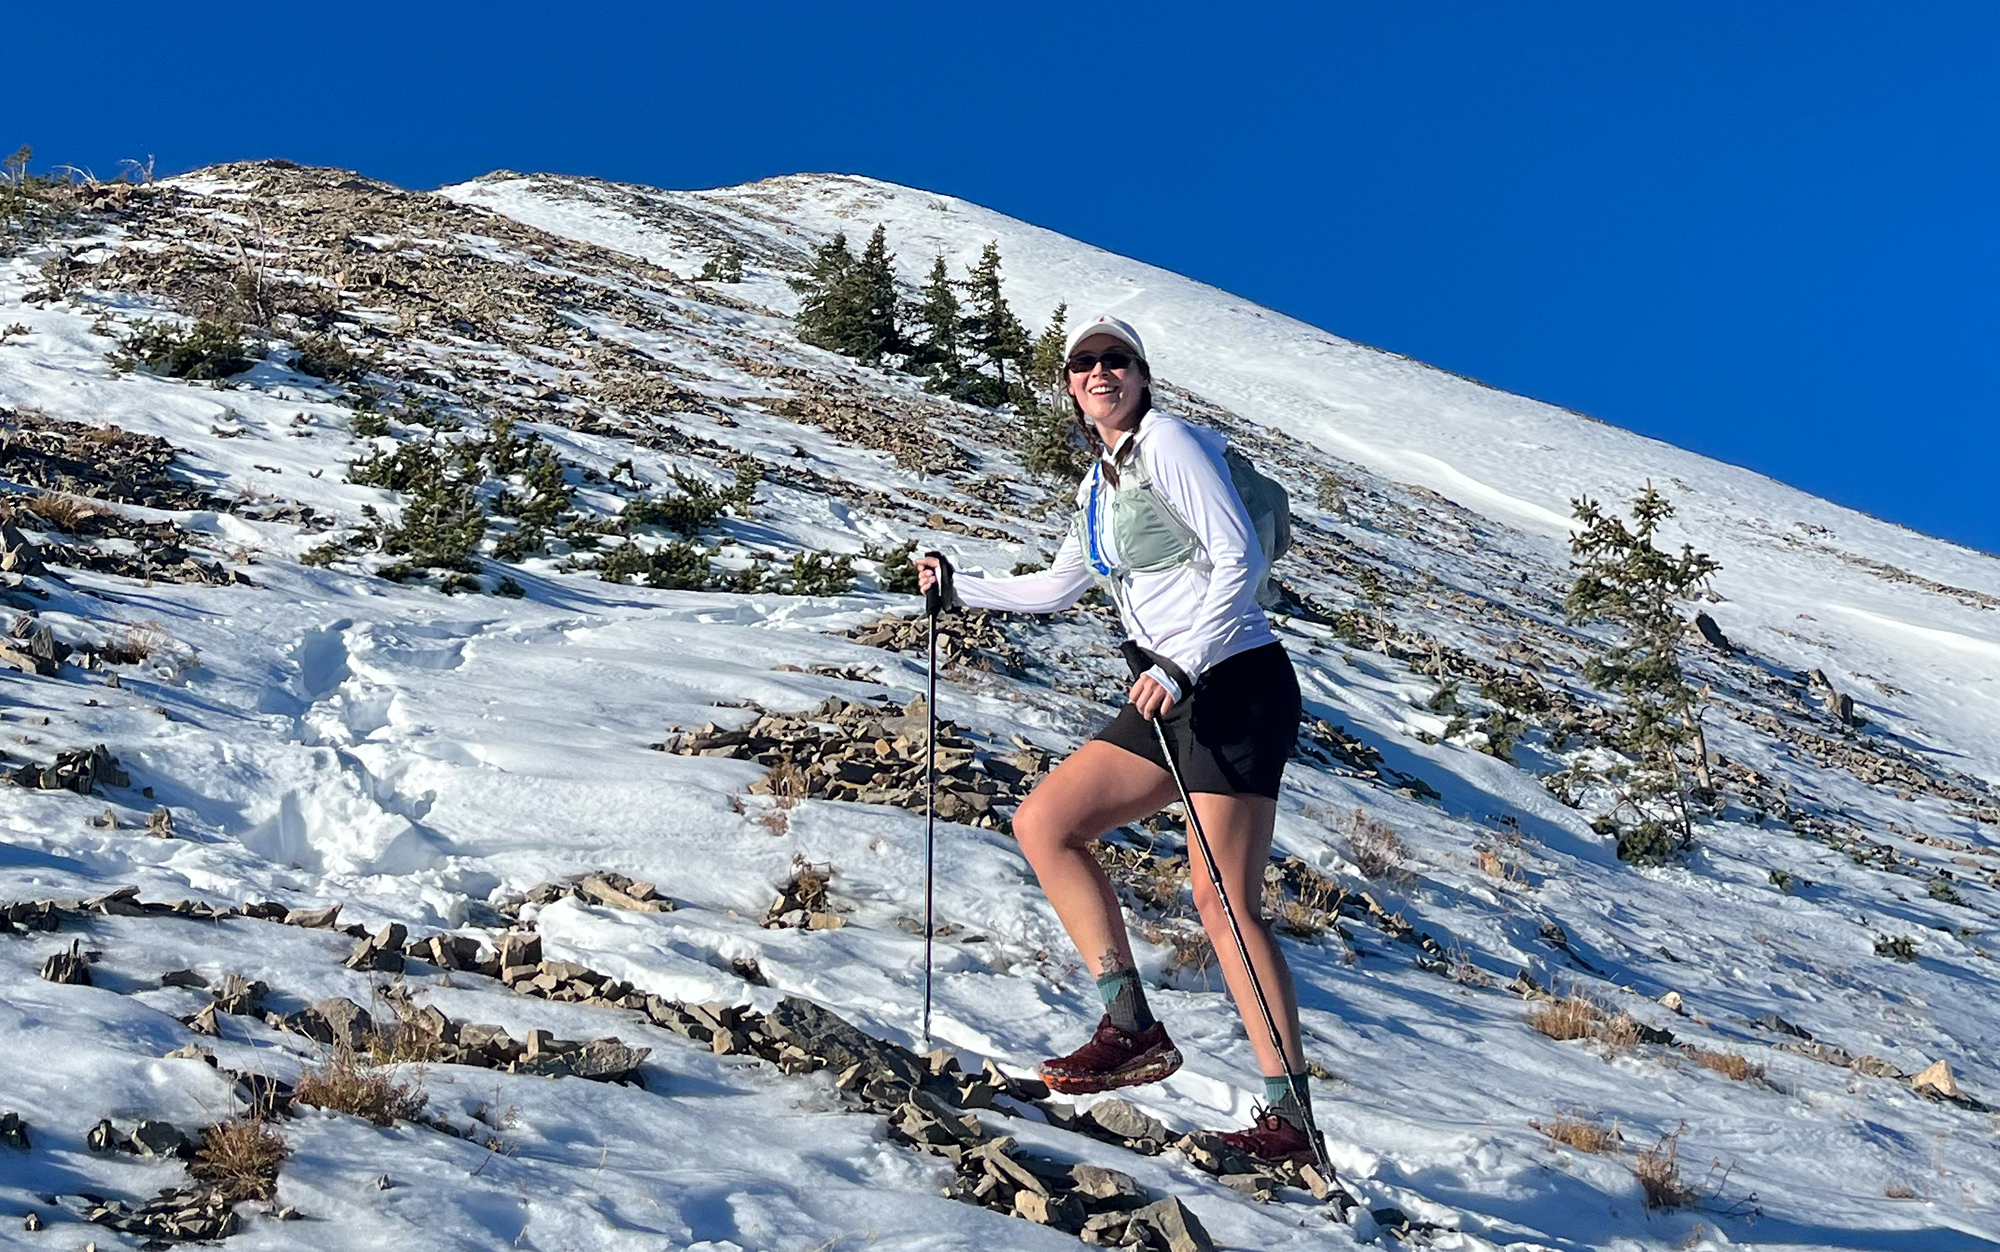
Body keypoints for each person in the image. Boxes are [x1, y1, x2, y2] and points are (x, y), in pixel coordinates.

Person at [916, 314, 1318, 1164]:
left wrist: (1178, 664)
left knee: (1223, 904)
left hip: (1232, 681)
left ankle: (1289, 1121)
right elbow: (1061, 586)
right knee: (1045, 824)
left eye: (1118, 360)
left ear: (1141, 376)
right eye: (1085, 363)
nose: (1101, 372)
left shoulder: (1169, 441)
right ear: (1068, 386)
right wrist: (960, 590)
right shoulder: (1099, 482)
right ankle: (1131, 1027)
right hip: (1168, 689)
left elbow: (1239, 558)